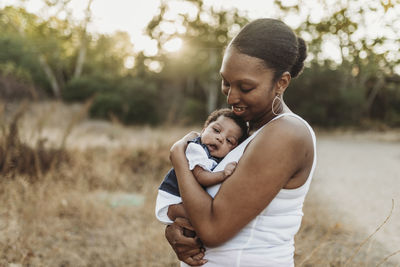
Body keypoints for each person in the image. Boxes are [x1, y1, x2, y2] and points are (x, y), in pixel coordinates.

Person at [164, 18, 317, 267]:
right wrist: (176, 228)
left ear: (282, 82)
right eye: (226, 81)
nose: (232, 96)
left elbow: (213, 230)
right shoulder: (248, 129)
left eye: (245, 87)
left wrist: (179, 159)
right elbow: (208, 208)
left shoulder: (286, 133)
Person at [155, 108, 248, 230]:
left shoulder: (217, 158)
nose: (220, 138)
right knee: (200, 220)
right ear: (203, 130)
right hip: (173, 200)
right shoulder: (197, 149)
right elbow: (201, 177)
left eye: (229, 140)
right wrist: (223, 174)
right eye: (216, 130)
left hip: (185, 200)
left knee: (197, 224)